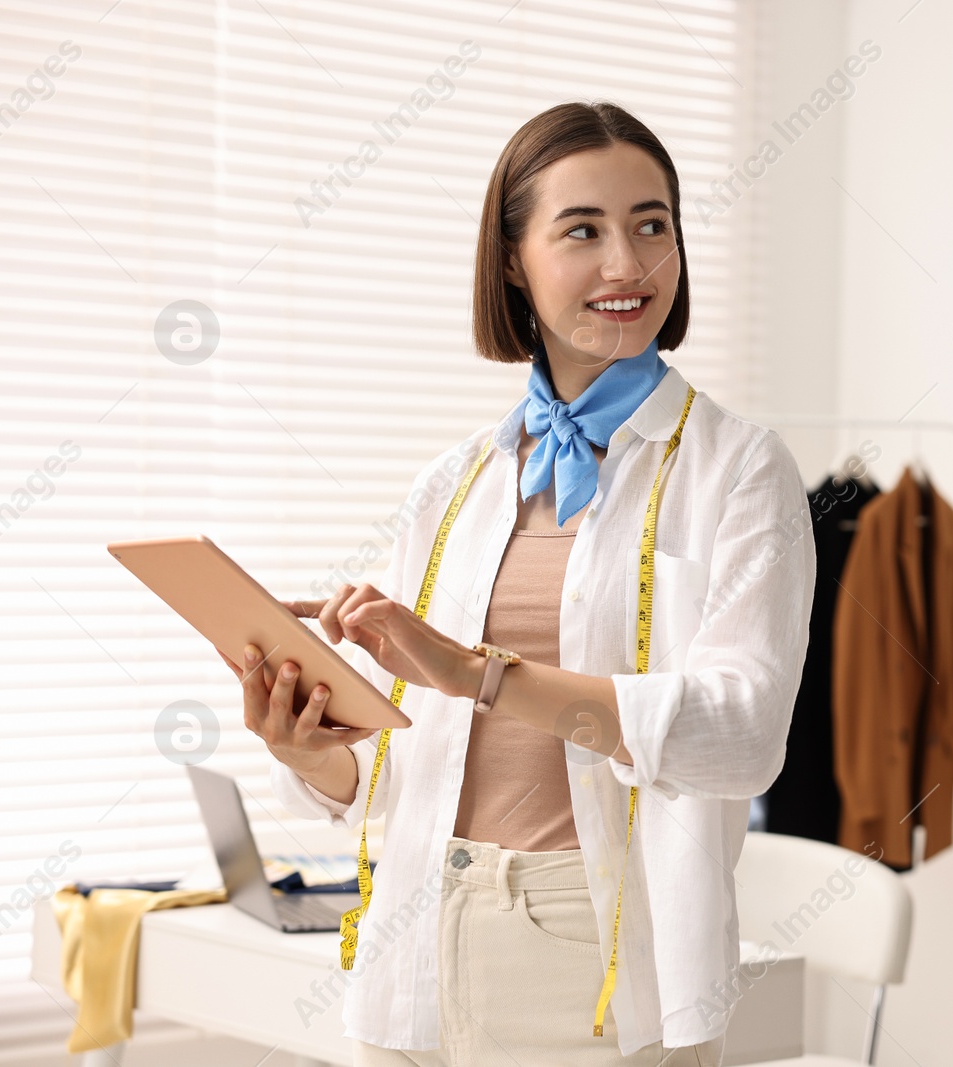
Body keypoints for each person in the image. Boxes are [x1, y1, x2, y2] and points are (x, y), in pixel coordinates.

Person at [228, 101, 815, 1066]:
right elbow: (403, 766)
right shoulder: (457, 482)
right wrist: (309, 749)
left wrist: (480, 672)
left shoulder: (737, 467)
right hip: (416, 935)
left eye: (652, 224)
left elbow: (740, 734)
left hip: (595, 953)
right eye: (582, 230)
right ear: (513, 260)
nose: (627, 265)